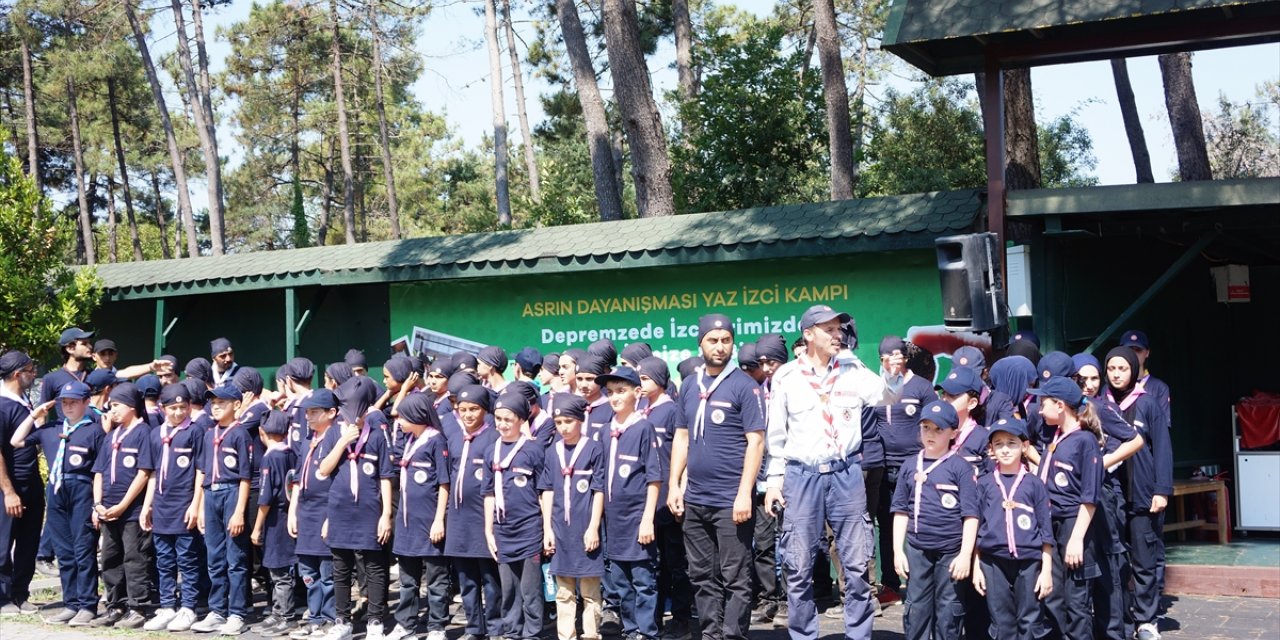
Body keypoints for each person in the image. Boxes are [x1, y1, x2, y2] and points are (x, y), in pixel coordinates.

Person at [764, 305, 893, 640]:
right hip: (801, 475)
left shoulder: (851, 367)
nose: (838, 335)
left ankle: (859, 635)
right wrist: (774, 481)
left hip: (846, 472)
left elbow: (886, 396)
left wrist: (872, 367)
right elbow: (776, 435)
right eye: (830, 330)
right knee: (798, 565)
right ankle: (804, 635)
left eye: (840, 329)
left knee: (856, 563)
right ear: (809, 334)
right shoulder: (787, 376)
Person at [667, 314, 766, 640]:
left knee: (735, 577)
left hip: (730, 501)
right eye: (713, 340)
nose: (720, 347)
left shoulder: (744, 386)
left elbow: (756, 441)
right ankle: (711, 635)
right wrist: (674, 485)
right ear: (700, 342)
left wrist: (743, 494)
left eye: (726, 341)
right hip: (695, 499)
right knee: (701, 575)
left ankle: (733, 635)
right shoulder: (690, 386)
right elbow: (681, 437)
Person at [7, 380, 103, 626]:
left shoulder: (93, 430)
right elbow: (16, 441)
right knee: (63, 550)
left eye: (73, 403)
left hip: (81, 487)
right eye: (64, 403)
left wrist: (98, 503)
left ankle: (87, 604)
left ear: (86, 403)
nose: (68, 407)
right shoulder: (50, 428)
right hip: (56, 489)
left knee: (83, 548)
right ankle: (71, 603)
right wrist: (35, 415)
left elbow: (100, 470)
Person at [890, 401, 979, 640]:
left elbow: (971, 515)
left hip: (951, 552)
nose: (931, 434)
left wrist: (964, 555)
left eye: (938, 429)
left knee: (948, 610)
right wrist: (898, 551)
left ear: (953, 433)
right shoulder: (910, 465)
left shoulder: (961, 468)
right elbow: (900, 511)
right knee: (916, 607)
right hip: (918, 549)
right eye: (926, 427)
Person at [317, 377, 396, 640]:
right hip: (339, 510)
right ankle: (342, 621)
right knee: (340, 568)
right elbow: (323, 470)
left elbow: (385, 477)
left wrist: (386, 514)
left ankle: (375, 621)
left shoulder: (375, 436)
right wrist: (342, 443)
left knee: (374, 567)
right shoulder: (332, 434)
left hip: (369, 511)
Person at [1102, 347, 1171, 640]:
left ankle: (1147, 620)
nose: (1116, 374)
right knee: (1116, 564)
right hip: (1110, 496)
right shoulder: (1097, 405)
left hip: (1142, 495)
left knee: (1144, 561)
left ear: (1133, 370)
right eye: (1112, 369)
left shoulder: (1148, 404)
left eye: (1123, 369)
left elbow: (1163, 449)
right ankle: (1122, 619)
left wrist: (1162, 490)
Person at [1029, 376, 1104, 640]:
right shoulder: (1055, 437)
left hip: (1074, 525)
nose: (1039, 410)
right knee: (1053, 598)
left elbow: (1090, 497)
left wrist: (1076, 540)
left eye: (1043, 403)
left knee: (1077, 601)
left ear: (1060, 405)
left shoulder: (1085, 441)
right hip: (1052, 523)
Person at [972, 418, 1053, 640]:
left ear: (1024, 446)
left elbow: (1046, 531)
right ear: (991, 449)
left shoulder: (1034, 484)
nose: (1005, 449)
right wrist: (976, 567)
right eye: (998, 444)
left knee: (1030, 619)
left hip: (1029, 561)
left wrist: (1046, 571)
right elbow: (977, 527)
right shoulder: (984, 483)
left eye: (1012, 443)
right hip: (992, 561)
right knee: (1001, 620)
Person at [596, 367, 662, 640]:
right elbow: (599, 480)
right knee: (620, 582)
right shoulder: (603, 432)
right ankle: (631, 629)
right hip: (614, 522)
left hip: (637, 520)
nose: (614, 398)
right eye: (610, 392)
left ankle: (647, 632)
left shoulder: (643, 428)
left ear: (637, 393)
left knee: (643, 581)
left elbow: (654, 478)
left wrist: (647, 518)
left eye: (621, 391)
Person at [872, 336, 935, 598]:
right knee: (887, 527)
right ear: (881, 360)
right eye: (887, 357)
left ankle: (921, 584)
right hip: (883, 468)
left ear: (905, 358)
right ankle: (890, 584)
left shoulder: (922, 387)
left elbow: (936, 424)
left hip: (915, 467)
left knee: (918, 525)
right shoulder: (874, 388)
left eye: (897, 356)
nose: (893, 361)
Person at [635, 356, 693, 640]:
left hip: (669, 499)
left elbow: (682, 455)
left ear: (659, 379)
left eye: (645, 378)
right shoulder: (640, 411)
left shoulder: (671, 411)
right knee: (653, 566)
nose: (640, 384)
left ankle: (681, 620)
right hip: (648, 501)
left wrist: (677, 488)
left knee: (676, 564)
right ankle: (653, 622)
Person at [539, 395, 606, 640]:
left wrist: (593, 527)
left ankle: (591, 633)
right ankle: (566, 635)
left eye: (568, 421)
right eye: (558, 422)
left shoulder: (594, 448)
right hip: (560, 530)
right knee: (564, 591)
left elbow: (599, 490)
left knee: (589, 590)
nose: (563, 427)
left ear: (580, 419)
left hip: (585, 528)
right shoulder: (552, 451)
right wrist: (547, 528)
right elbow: (547, 490)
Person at [91, 383, 157, 629]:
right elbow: (98, 471)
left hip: (131, 511)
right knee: (110, 558)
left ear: (131, 405)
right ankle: (115, 605)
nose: (112, 409)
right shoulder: (111, 435)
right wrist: (98, 503)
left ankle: (137, 606)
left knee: (134, 557)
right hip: (107, 510)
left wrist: (122, 505)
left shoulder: (144, 433)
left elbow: (144, 473)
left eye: (116, 405)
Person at [141, 384, 206, 632]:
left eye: (183, 407)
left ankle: (188, 606)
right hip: (161, 506)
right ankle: (167, 605)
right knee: (164, 559)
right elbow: (153, 473)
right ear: (163, 408)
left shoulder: (194, 432)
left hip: (184, 503)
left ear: (189, 406)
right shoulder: (155, 434)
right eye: (173, 408)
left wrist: (195, 504)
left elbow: (201, 469)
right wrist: (147, 506)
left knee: (187, 559)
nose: (178, 413)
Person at [387, 393, 451, 640]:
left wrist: (438, 520)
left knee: (436, 580)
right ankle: (406, 625)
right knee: (407, 580)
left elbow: (443, 483)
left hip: (428, 523)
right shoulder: (410, 440)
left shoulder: (436, 442)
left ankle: (437, 627)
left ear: (416, 416)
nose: (398, 420)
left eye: (402, 415)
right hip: (407, 523)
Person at [192, 385, 255, 634]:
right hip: (211, 494)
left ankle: (237, 613)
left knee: (235, 558)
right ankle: (217, 610)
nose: (215, 407)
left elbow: (245, 477)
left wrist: (239, 511)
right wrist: (199, 507)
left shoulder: (240, 434)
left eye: (222, 403)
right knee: (214, 557)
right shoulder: (209, 434)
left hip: (231, 494)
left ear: (236, 405)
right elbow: (203, 472)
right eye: (213, 403)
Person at [483, 394, 545, 640]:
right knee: (508, 588)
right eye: (498, 418)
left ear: (522, 419)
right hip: (502, 529)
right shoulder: (491, 451)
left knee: (530, 589)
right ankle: (511, 632)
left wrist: (546, 529)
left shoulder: (533, 450)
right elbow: (488, 493)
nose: (502, 424)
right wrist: (488, 530)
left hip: (529, 528)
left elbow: (544, 492)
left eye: (508, 419)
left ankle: (532, 633)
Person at [445, 385, 502, 640]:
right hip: (459, 519)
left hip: (483, 518)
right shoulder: (455, 436)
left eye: (474, 409)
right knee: (467, 579)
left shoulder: (493, 437)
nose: (467, 415)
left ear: (485, 410)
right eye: (463, 409)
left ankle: (495, 627)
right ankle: (473, 627)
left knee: (490, 579)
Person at [289, 389, 342, 639]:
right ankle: (314, 616)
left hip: (325, 512)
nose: (308, 417)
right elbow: (298, 481)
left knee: (327, 572)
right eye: (306, 412)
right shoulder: (306, 442)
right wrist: (293, 511)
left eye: (314, 412)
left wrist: (331, 517)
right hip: (306, 514)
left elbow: (338, 483)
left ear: (331, 413)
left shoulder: (334, 438)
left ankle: (331, 618)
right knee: (308, 572)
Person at [0, 351, 44, 616]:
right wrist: (8, 492)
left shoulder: (23, 400)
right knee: (3, 543)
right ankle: (2, 597)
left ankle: (20, 592)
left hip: (31, 483)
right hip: (10, 486)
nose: (34, 373)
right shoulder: (3, 405)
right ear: (18, 374)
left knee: (29, 541)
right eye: (30, 369)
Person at [251, 411, 300, 638]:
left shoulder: (270, 458)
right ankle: (279, 611)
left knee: (279, 571)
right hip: (289, 514)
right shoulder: (291, 452)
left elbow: (265, 498)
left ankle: (286, 616)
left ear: (262, 432)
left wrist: (257, 526)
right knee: (281, 568)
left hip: (275, 520)